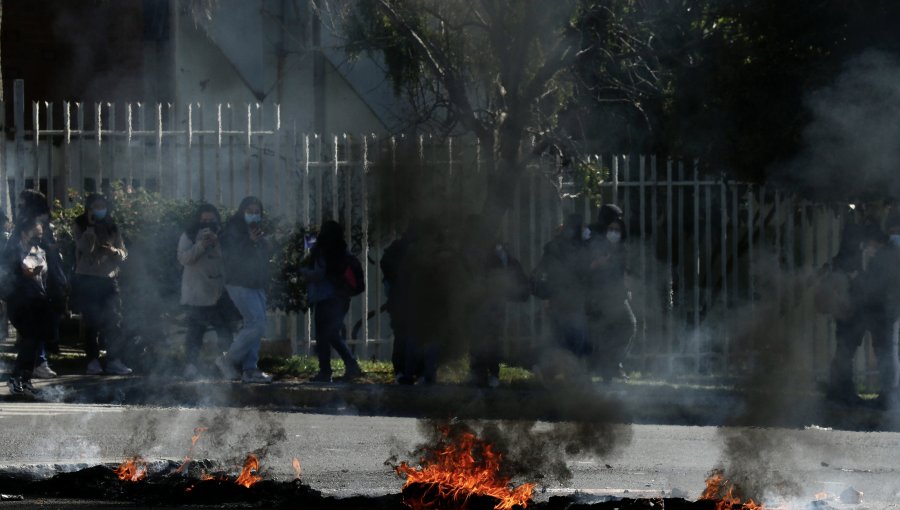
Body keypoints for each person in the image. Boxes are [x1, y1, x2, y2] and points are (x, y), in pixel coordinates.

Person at [463, 217, 530, 388]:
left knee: (489, 340)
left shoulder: (497, 255)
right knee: (485, 340)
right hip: (483, 304)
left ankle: (488, 373)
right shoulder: (484, 254)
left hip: (490, 305)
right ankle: (484, 373)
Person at [72, 193, 132, 375]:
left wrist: (113, 251)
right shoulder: (80, 224)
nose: (100, 210)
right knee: (91, 321)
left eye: (102, 206)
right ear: (89, 209)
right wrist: (91, 227)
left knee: (115, 320)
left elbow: (124, 253)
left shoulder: (113, 226)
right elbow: (82, 248)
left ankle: (114, 360)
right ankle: (92, 360)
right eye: (96, 207)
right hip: (88, 278)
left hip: (109, 278)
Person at [217, 196, 273, 384]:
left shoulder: (257, 230)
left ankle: (250, 369)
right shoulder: (233, 229)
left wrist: (265, 243)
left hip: (256, 283)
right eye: (250, 211)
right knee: (256, 323)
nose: (254, 215)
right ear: (242, 211)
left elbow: (264, 255)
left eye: (257, 212)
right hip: (239, 282)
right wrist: (248, 241)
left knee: (256, 326)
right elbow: (231, 254)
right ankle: (229, 360)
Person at [301, 220, 364, 383]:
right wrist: (308, 236)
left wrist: (301, 271)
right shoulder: (341, 249)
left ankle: (327, 371)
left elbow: (317, 274)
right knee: (332, 335)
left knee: (325, 337)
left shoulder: (323, 250)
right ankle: (350, 367)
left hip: (325, 298)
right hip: (341, 299)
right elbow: (309, 243)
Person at [177, 203, 234, 379]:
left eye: (211, 220)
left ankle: (226, 363)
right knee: (195, 331)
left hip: (218, 291)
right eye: (203, 220)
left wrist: (217, 243)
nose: (207, 223)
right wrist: (200, 244)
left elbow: (231, 258)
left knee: (225, 330)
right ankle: (191, 366)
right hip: (197, 291)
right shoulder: (188, 235)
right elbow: (184, 259)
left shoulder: (224, 235)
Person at [18, 190, 67, 379]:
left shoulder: (39, 222)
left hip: (43, 273)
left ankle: (37, 360)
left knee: (40, 322)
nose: (20, 207)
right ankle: (37, 361)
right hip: (31, 275)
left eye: (22, 203)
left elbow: (42, 247)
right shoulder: (28, 224)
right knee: (34, 323)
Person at [585, 204, 636, 382]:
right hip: (602, 296)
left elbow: (620, 270)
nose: (615, 228)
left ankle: (612, 366)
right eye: (613, 222)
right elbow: (588, 269)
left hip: (615, 295)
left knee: (622, 328)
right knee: (623, 327)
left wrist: (625, 287)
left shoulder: (616, 243)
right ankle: (610, 367)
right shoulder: (595, 242)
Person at [4, 216, 54, 395]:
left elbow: (44, 278)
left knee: (33, 341)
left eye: (40, 236)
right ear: (25, 232)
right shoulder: (14, 250)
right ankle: (17, 377)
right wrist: (30, 272)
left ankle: (24, 379)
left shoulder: (39, 251)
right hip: (20, 302)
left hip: (37, 301)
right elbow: (22, 272)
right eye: (36, 234)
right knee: (30, 338)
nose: (38, 238)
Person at [532, 214, 591, 358]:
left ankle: (559, 372)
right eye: (583, 227)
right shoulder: (574, 248)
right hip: (569, 302)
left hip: (557, 302)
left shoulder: (555, 245)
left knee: (561, 340)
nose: (586, 230)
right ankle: (565, 372)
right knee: (574, 340)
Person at [380, 223, 418, 381]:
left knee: (403, 336)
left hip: (400, 299)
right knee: (410, 336)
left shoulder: (397, 248)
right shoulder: (416, 249)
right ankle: (408, 372)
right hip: (410, 299)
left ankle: (402, 372)